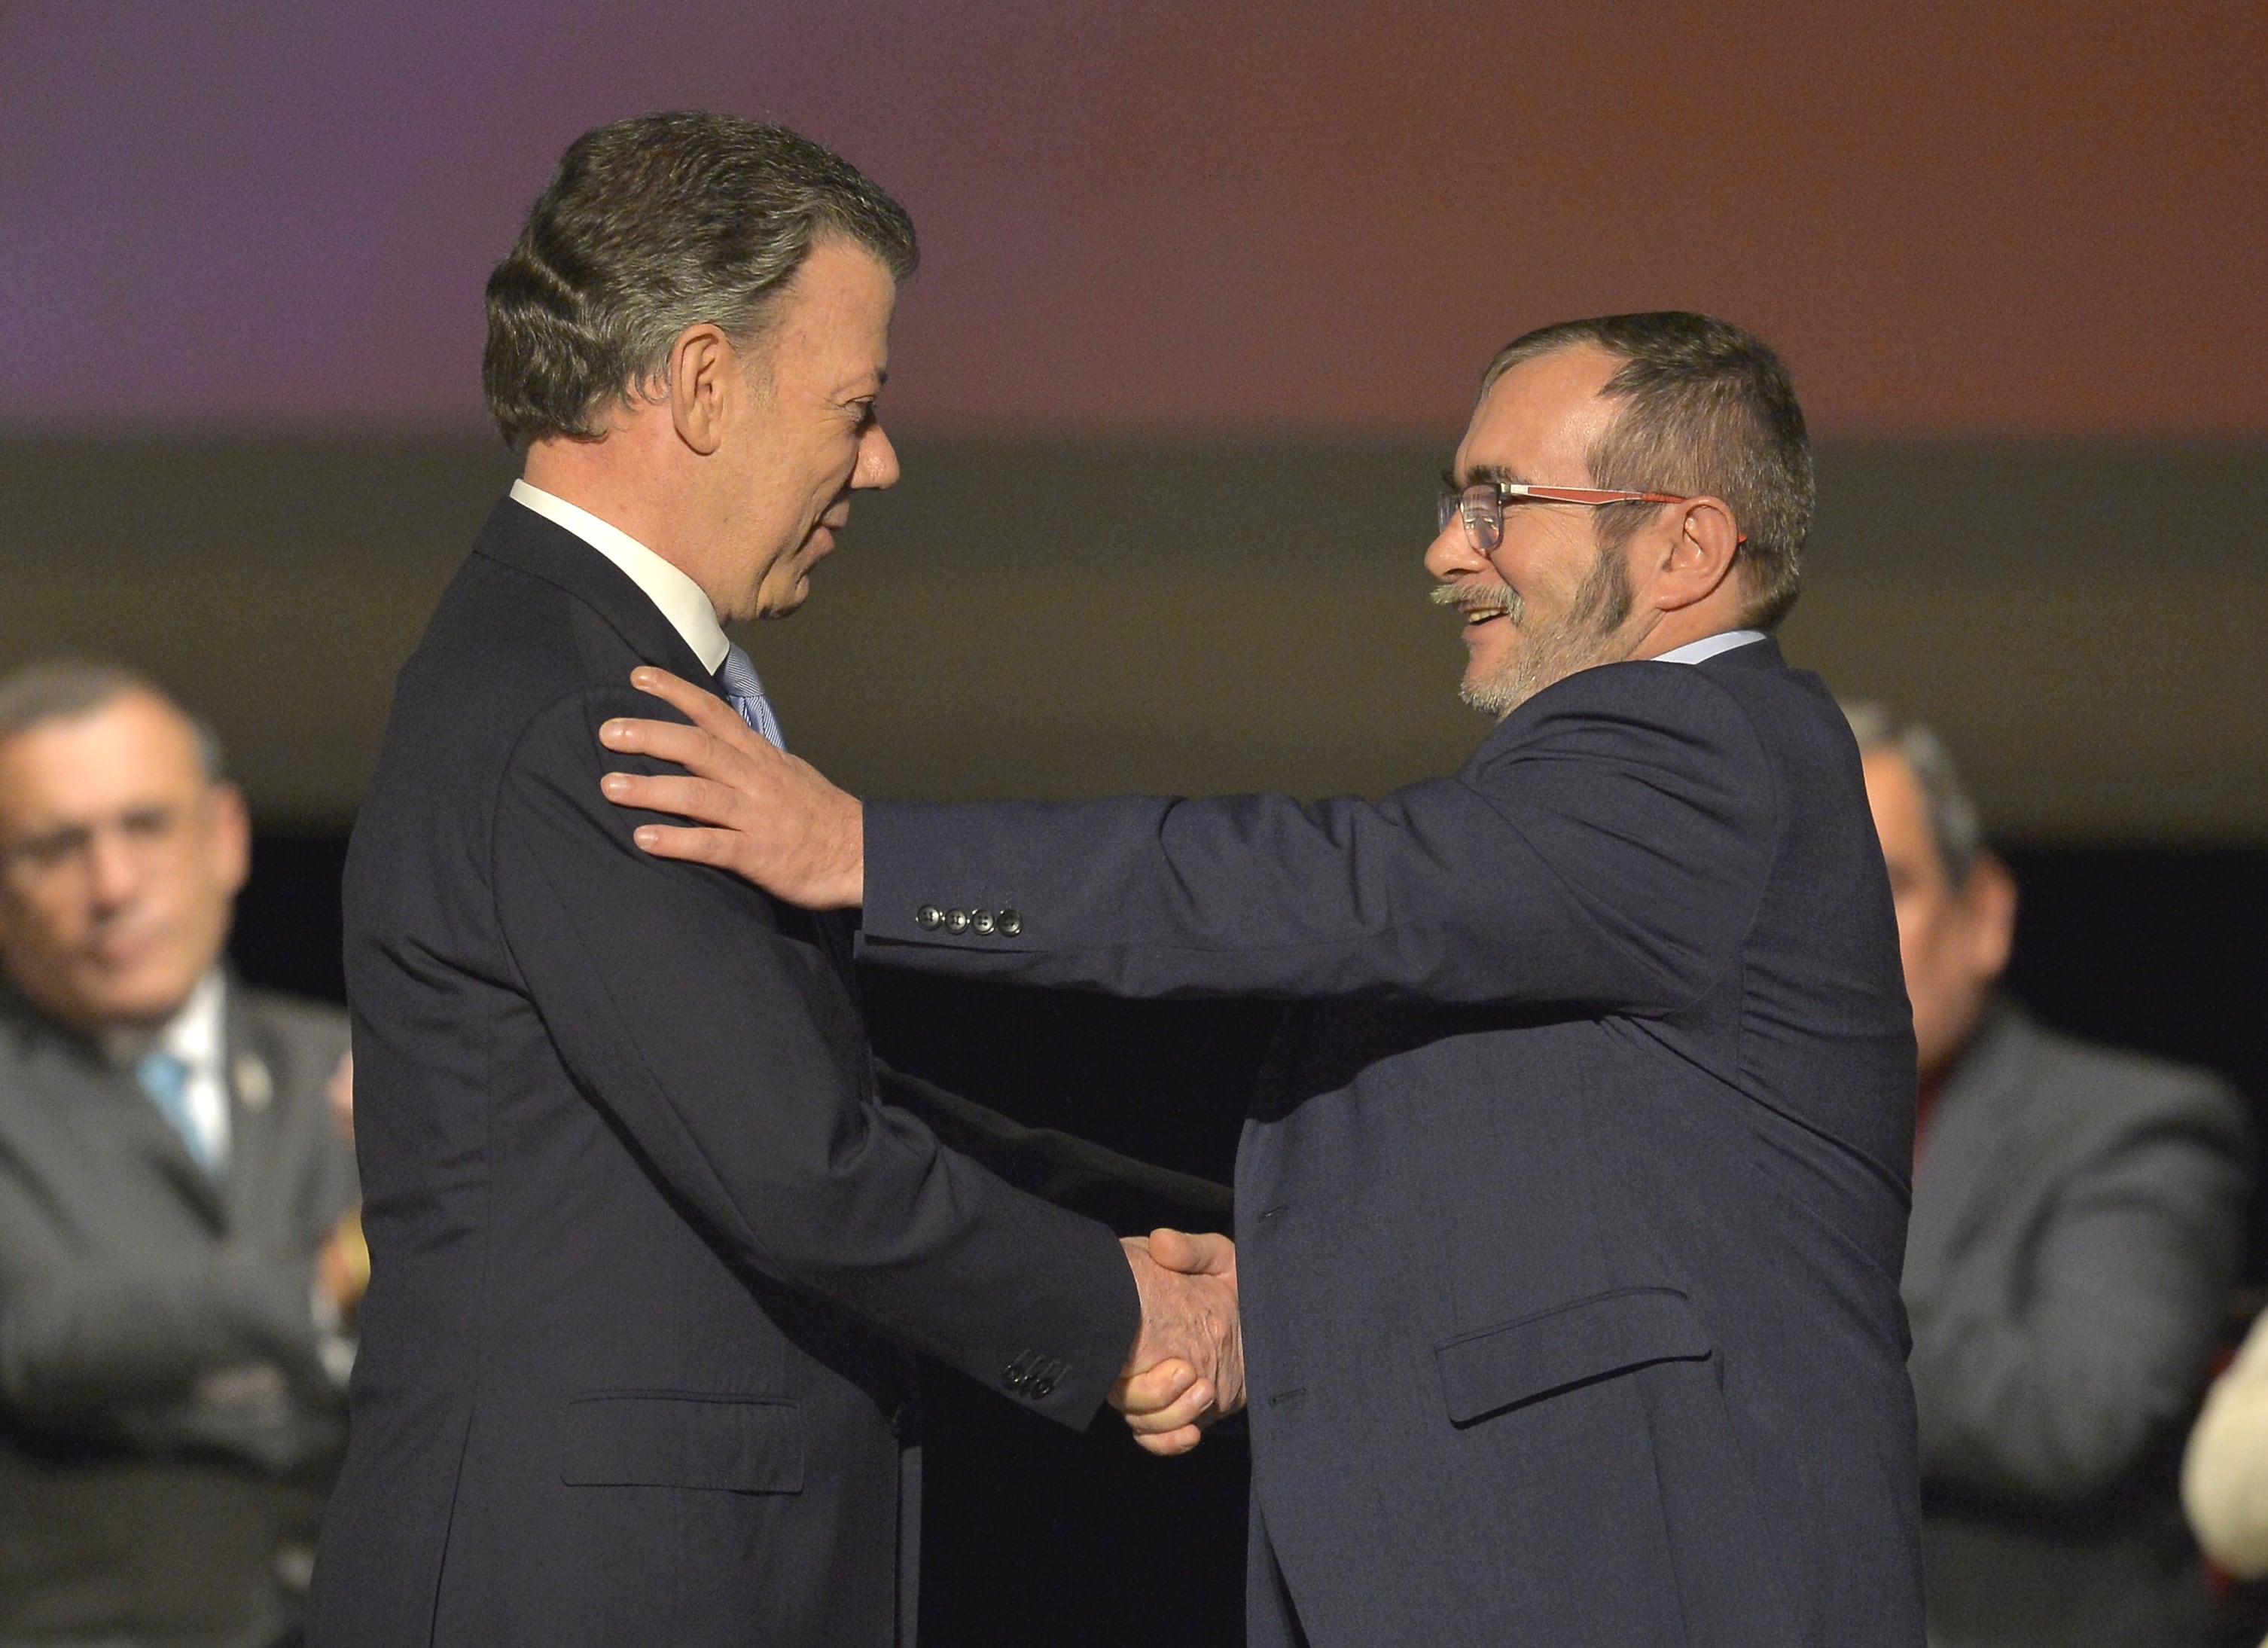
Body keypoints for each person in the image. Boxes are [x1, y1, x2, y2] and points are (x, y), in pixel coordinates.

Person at [599, 313, 1928, 1645]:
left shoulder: (1706, 750)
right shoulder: (1634, 803)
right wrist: (1251, 1297)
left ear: (1686, 545)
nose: (1444, 550)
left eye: (1496, 504)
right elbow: (1519, 1198)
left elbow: (1324, 886)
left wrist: (860, 850)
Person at [306, 113, 1237, 1648]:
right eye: (855, 406)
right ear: (700, 383)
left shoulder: (584, 661)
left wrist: (1190, 1233)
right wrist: (1135, 1312)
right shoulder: (574, 704)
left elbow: (810, 1098)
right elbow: (804, 1163)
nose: (881, 462)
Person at [1846, 700, 2246, 1648]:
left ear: (1982, 914)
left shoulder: (2136, 1127)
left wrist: (1772, 1313)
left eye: (1885, 884)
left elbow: (2083, 1407)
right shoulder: (1677, 1139)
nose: (1836, 932)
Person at [0, 661, 362, 1648]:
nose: (112, 887)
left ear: (227, 838)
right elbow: (43, 1334)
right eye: (54, 847)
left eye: (146, 827)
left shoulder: (366, 1069)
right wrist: (334, 1275)